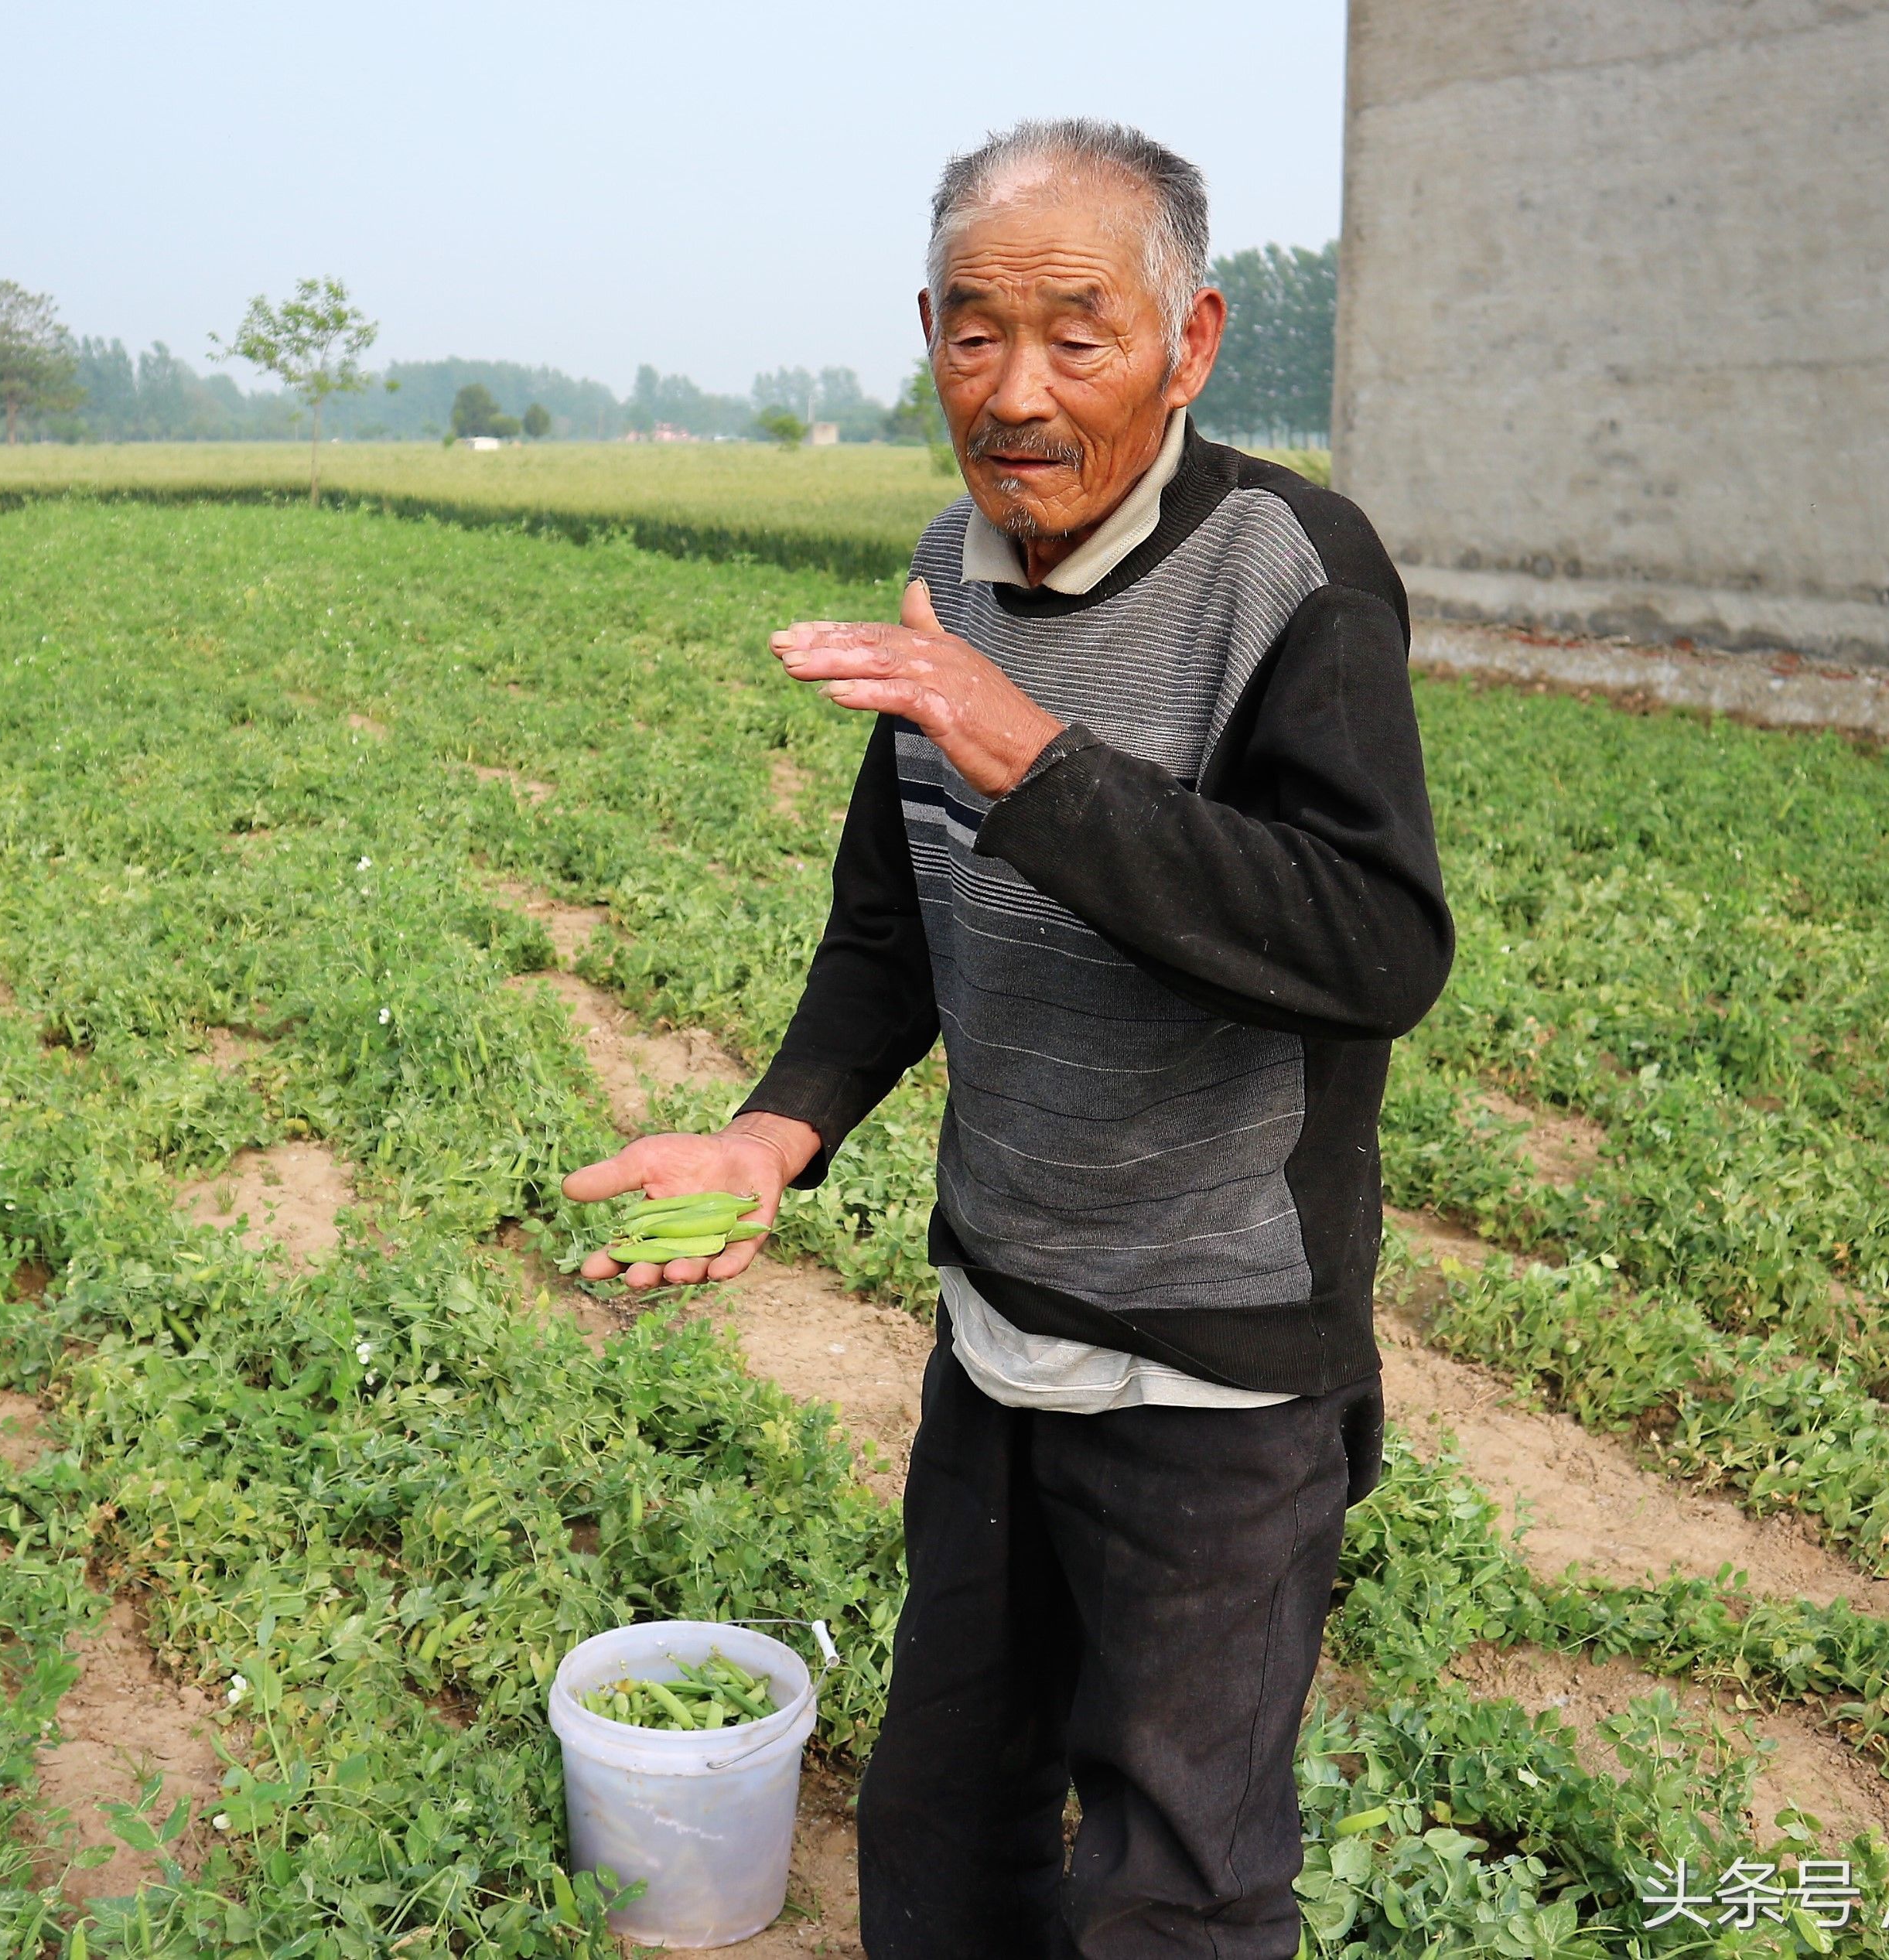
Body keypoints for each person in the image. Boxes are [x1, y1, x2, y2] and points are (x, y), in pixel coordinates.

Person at [562, 117, 1453, 1960]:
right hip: (998, 1339)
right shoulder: (941, 580)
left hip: (1218, 1376)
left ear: (1191, 342)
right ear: (926, 334)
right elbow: (895, 931)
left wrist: (1033, 758)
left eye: (1079, 334)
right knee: (948, 1825)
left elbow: (1375, 941)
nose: (1020, 392)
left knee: (1175, 1882)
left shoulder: (1293, 571)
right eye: (976, 334)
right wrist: (768, 1136)